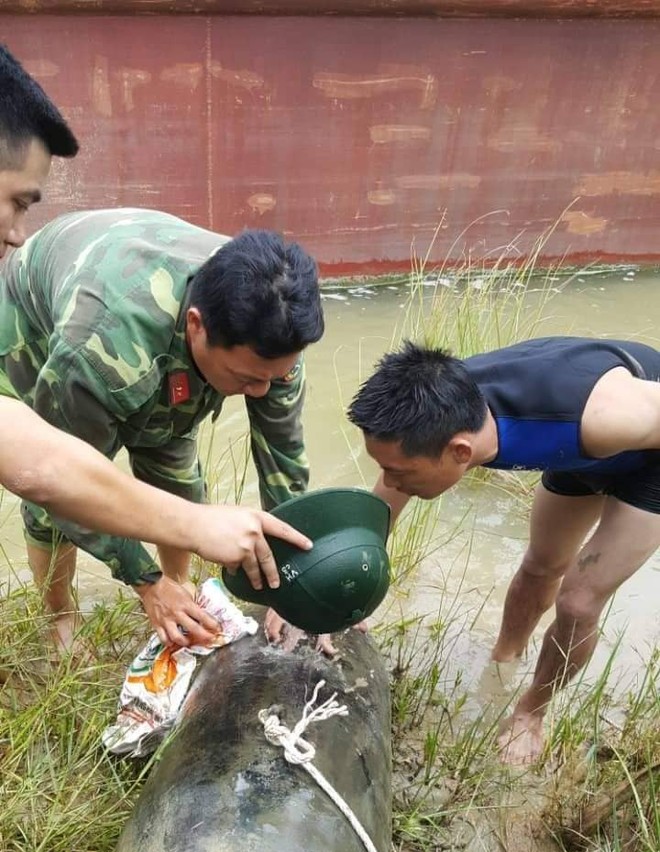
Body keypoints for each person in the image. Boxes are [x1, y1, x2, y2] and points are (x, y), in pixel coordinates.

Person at [0, 43, 314, 649]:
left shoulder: (273, 329)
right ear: (198, 328)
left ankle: (184, 595)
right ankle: (57, 615)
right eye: (248, 379)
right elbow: (53, 477)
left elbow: (284, 466)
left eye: (274, 378)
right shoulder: (97, 347)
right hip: (36, 312)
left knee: (174, 469)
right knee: (53, 507)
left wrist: (292, 586)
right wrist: (140, 578)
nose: (262, 391)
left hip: (154, 321)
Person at [348, 336, 660, 766]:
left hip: (646, 456)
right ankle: (504, 659)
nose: (391, 481)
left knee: (578, 600)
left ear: (460, 452)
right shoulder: (433, 416)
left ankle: (530, 713)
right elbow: (380, 507)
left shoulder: (608, 417)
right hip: (580, 453)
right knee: (540, 566)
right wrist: (343, 597)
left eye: (398, 472)